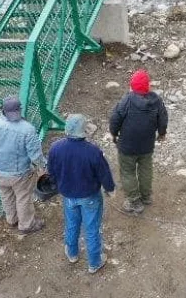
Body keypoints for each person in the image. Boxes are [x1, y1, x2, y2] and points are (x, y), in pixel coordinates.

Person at [47, 114, 116, 274]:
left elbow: (51, 172)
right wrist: (110, 189)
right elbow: (104, 174)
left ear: (67, 130)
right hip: (90, 196)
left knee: (72, 224)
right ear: (84, 131)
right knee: (91, 229)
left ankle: (72, 254)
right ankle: (94, 263)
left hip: (68, 195)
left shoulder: (55, 148)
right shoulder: (93, 152)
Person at [0, 96, 46, 234]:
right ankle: (26, 225)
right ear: (20, 110)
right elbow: (35, 156)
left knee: (6, 195)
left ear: (2, 109)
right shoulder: (27, 129)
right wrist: (43, 167)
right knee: (23, 198)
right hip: (20, 174)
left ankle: (12, 219)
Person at [109, 69, 168, 214]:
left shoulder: (127, 100)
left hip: (127, 146)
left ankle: (134, 201)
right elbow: (163, 119)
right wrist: (161, 134)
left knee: (128, 172)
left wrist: (114, 134)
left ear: (132, 86)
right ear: (148, 86)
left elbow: (115, 119)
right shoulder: (156, 101)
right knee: (145, 169)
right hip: (147, 145)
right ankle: (146, 196)